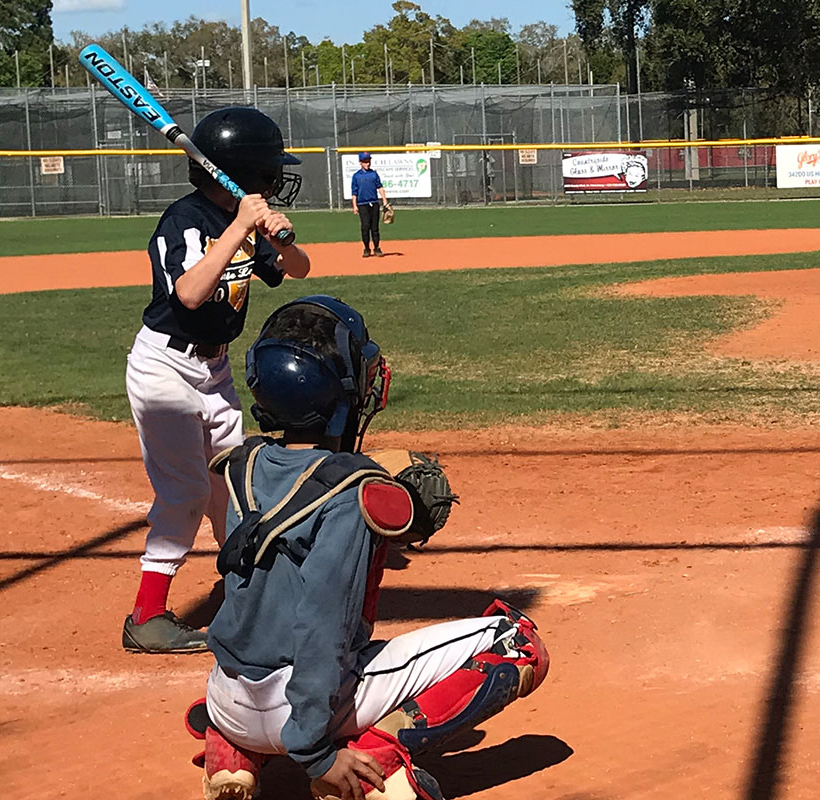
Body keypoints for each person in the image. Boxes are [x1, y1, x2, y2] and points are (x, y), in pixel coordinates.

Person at [187, 295, 549, 800]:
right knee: (517, 642)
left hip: (227, 698)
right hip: (298, 712)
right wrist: (317, 754)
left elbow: (303, 479)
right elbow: (323, 623)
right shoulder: (352, 493)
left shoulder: (241, 464)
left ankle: (231, 753)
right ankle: (372, 767)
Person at [122, 106, 309, 655]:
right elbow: (189, 294)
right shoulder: (183, 220)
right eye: (270, 169)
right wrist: (239, 228)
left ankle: (243, 598)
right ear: (246, 173)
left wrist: (277, 236)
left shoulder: (247, 223)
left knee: (234, 488)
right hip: (165, 369)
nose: (278, 178)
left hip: (215, 369)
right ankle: (147, 615)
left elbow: (298, 269)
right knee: (184, 491)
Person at [351, 153, 390, 257]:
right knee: (365, 226)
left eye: (368, 161)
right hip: (362, 204)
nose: (367, 163)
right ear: (360, 162)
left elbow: (380, 187)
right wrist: (354, 206)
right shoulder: (356, 176)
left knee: (375, 227)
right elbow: (354, 193)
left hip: (374, 203)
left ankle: (377, 248)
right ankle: (367, 248)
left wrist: (385, 201)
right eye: (365, 161)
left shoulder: (374, 174)